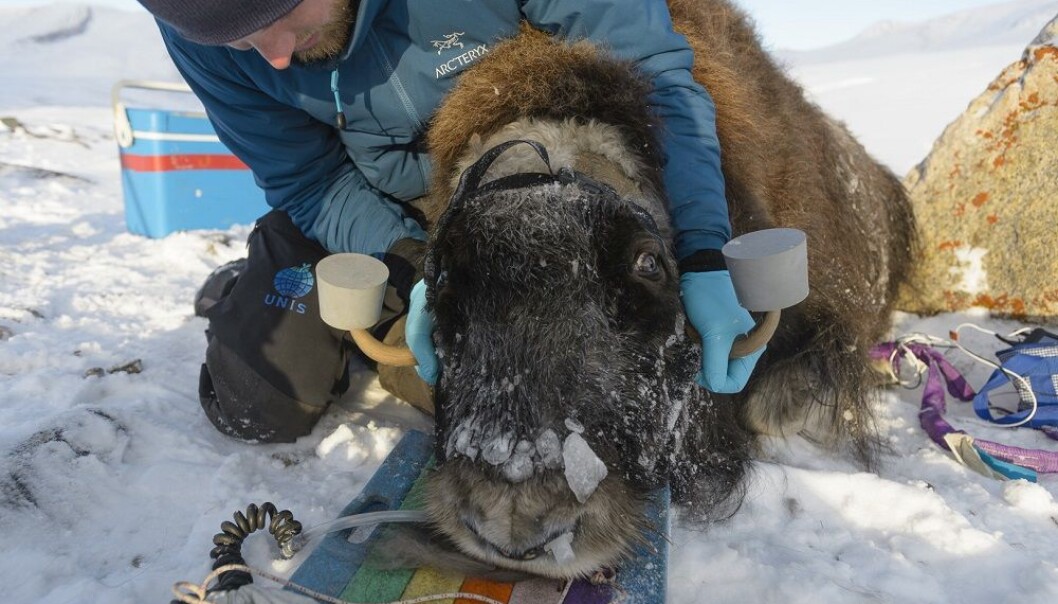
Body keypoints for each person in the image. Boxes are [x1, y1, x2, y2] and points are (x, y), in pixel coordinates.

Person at [138, 0, 766, 442]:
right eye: (242, 42)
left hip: (526, 183)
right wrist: (416, 264)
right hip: (370, 205)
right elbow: (309, 180)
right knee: (261, 404)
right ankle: (260, 284)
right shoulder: (202, 36)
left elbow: (653, 77)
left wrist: (704, 250)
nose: (273, 57)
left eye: (278, 14)